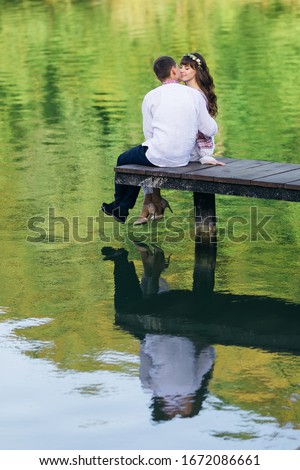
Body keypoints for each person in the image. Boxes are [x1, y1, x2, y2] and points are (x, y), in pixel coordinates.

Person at [101, 55, 218, 224]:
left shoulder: (151, 96)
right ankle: (125, 207)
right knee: (133, 162)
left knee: (123, 160)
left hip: (160, 154)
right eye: (178, 67)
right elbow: (209, 129)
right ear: (173, 70)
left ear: (158, 77)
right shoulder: (194, 95)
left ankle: (121, 208)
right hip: (183, 158)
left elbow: (149, 134)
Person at [134, 52, 225, 226]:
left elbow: (206, 129)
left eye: (187, 68)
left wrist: (206, 155)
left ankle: (149, 203)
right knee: (152, 151)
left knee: (150, 153)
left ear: (197, 71)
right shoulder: (181, 92)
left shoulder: (195, 94)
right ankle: (153, 202)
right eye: (181, 67)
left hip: (193, 147)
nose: (182, 71)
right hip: (182, 144)